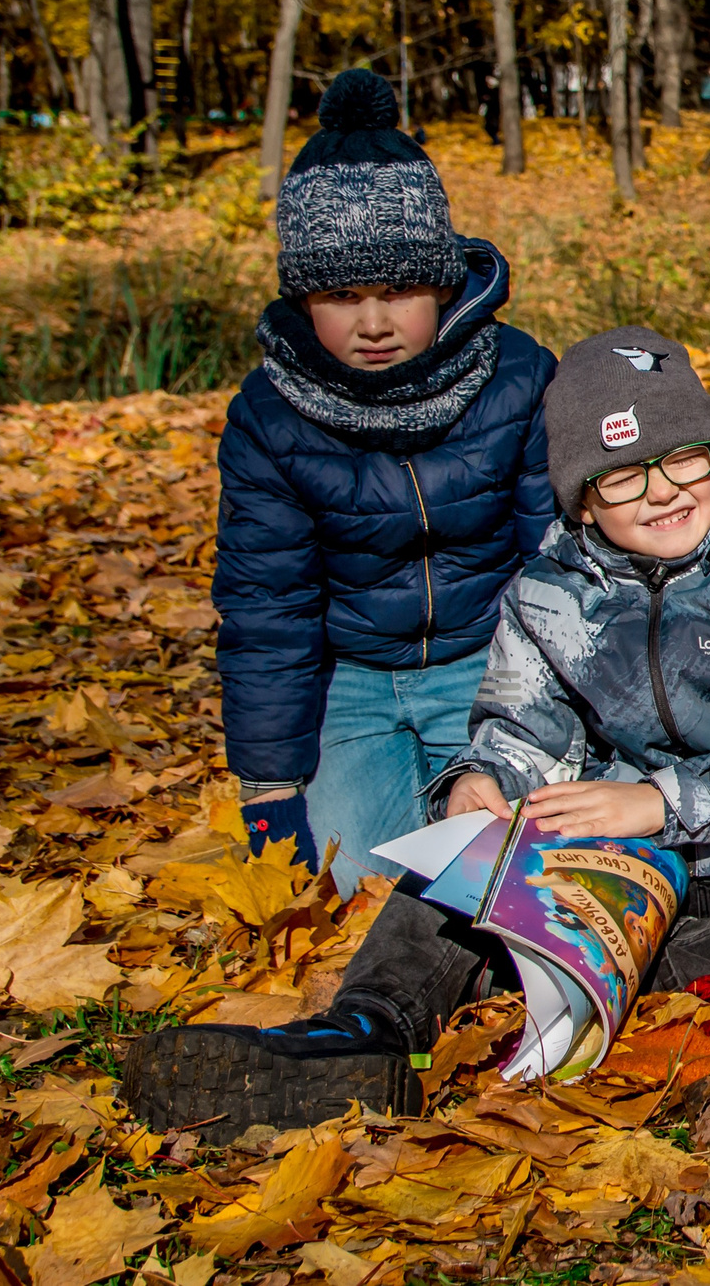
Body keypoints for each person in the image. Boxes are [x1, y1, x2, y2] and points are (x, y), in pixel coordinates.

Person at [123, 330, 710, 1137]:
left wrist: (655, 801)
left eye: (685, 460)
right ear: (582, 499)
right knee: (449, 872)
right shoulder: (548, 592)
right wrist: (486, 776)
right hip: (606, 862)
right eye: (622, 477)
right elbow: (520, 720)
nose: (663, 492)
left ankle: (553, 984)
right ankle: (366, 1031)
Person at [214, 68, 554, 896]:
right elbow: (267, 606)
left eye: (400, 290)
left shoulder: (518, 376)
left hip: (489, 657)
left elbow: (557, 556)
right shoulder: (270, 414)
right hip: (353, 675)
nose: (373, 323)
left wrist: (550, 707)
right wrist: (268, 788)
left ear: (442, 283)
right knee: (352, 882)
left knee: (493, 880)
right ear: (303, 299)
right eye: (341, 295)